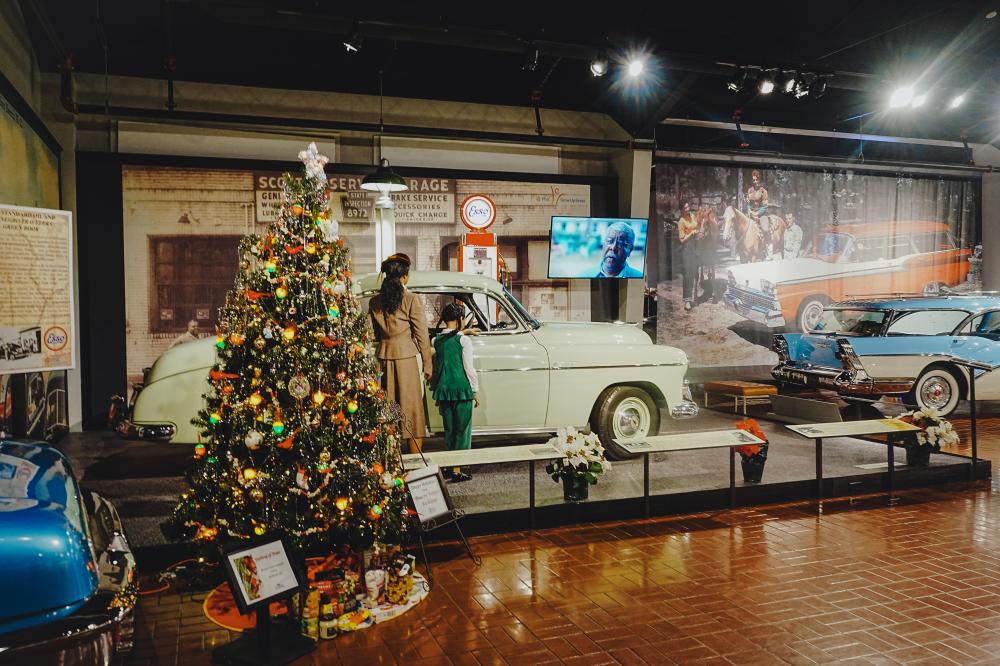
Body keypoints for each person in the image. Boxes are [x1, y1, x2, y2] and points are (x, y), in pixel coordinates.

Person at [368, 253, 433, 454]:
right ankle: (415, 466)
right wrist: (428, 365)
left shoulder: (375, 301)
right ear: (404, 276)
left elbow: (372, 334)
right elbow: (422, 335)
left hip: (383, 359)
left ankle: (392, 464)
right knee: (411, 410)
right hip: (406, 360)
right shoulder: (411, 299)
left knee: (389, 410)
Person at [430, 303, 479, 483]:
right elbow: (469, 370)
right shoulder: (464, 341)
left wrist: (463, 331)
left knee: (450, 430)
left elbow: (448, 337)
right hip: (462, 390)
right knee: (462, 430)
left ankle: (451, 467)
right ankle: (458, 469)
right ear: (460, 320)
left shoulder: (436, 341)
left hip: (444, 391)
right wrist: (475, 391)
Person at [677, 202, 699, 311]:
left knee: (695, 272)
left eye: (688, 206)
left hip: (696, 246)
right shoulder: (681, 221)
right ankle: (687, 301)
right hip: (687, 248)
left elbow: (698, 226)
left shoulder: (692, 216)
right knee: (688, 274)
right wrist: (691, 233)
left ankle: (694, 296)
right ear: (681, 209)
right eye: (685, 207)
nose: (688, 208)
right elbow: (681, 240)